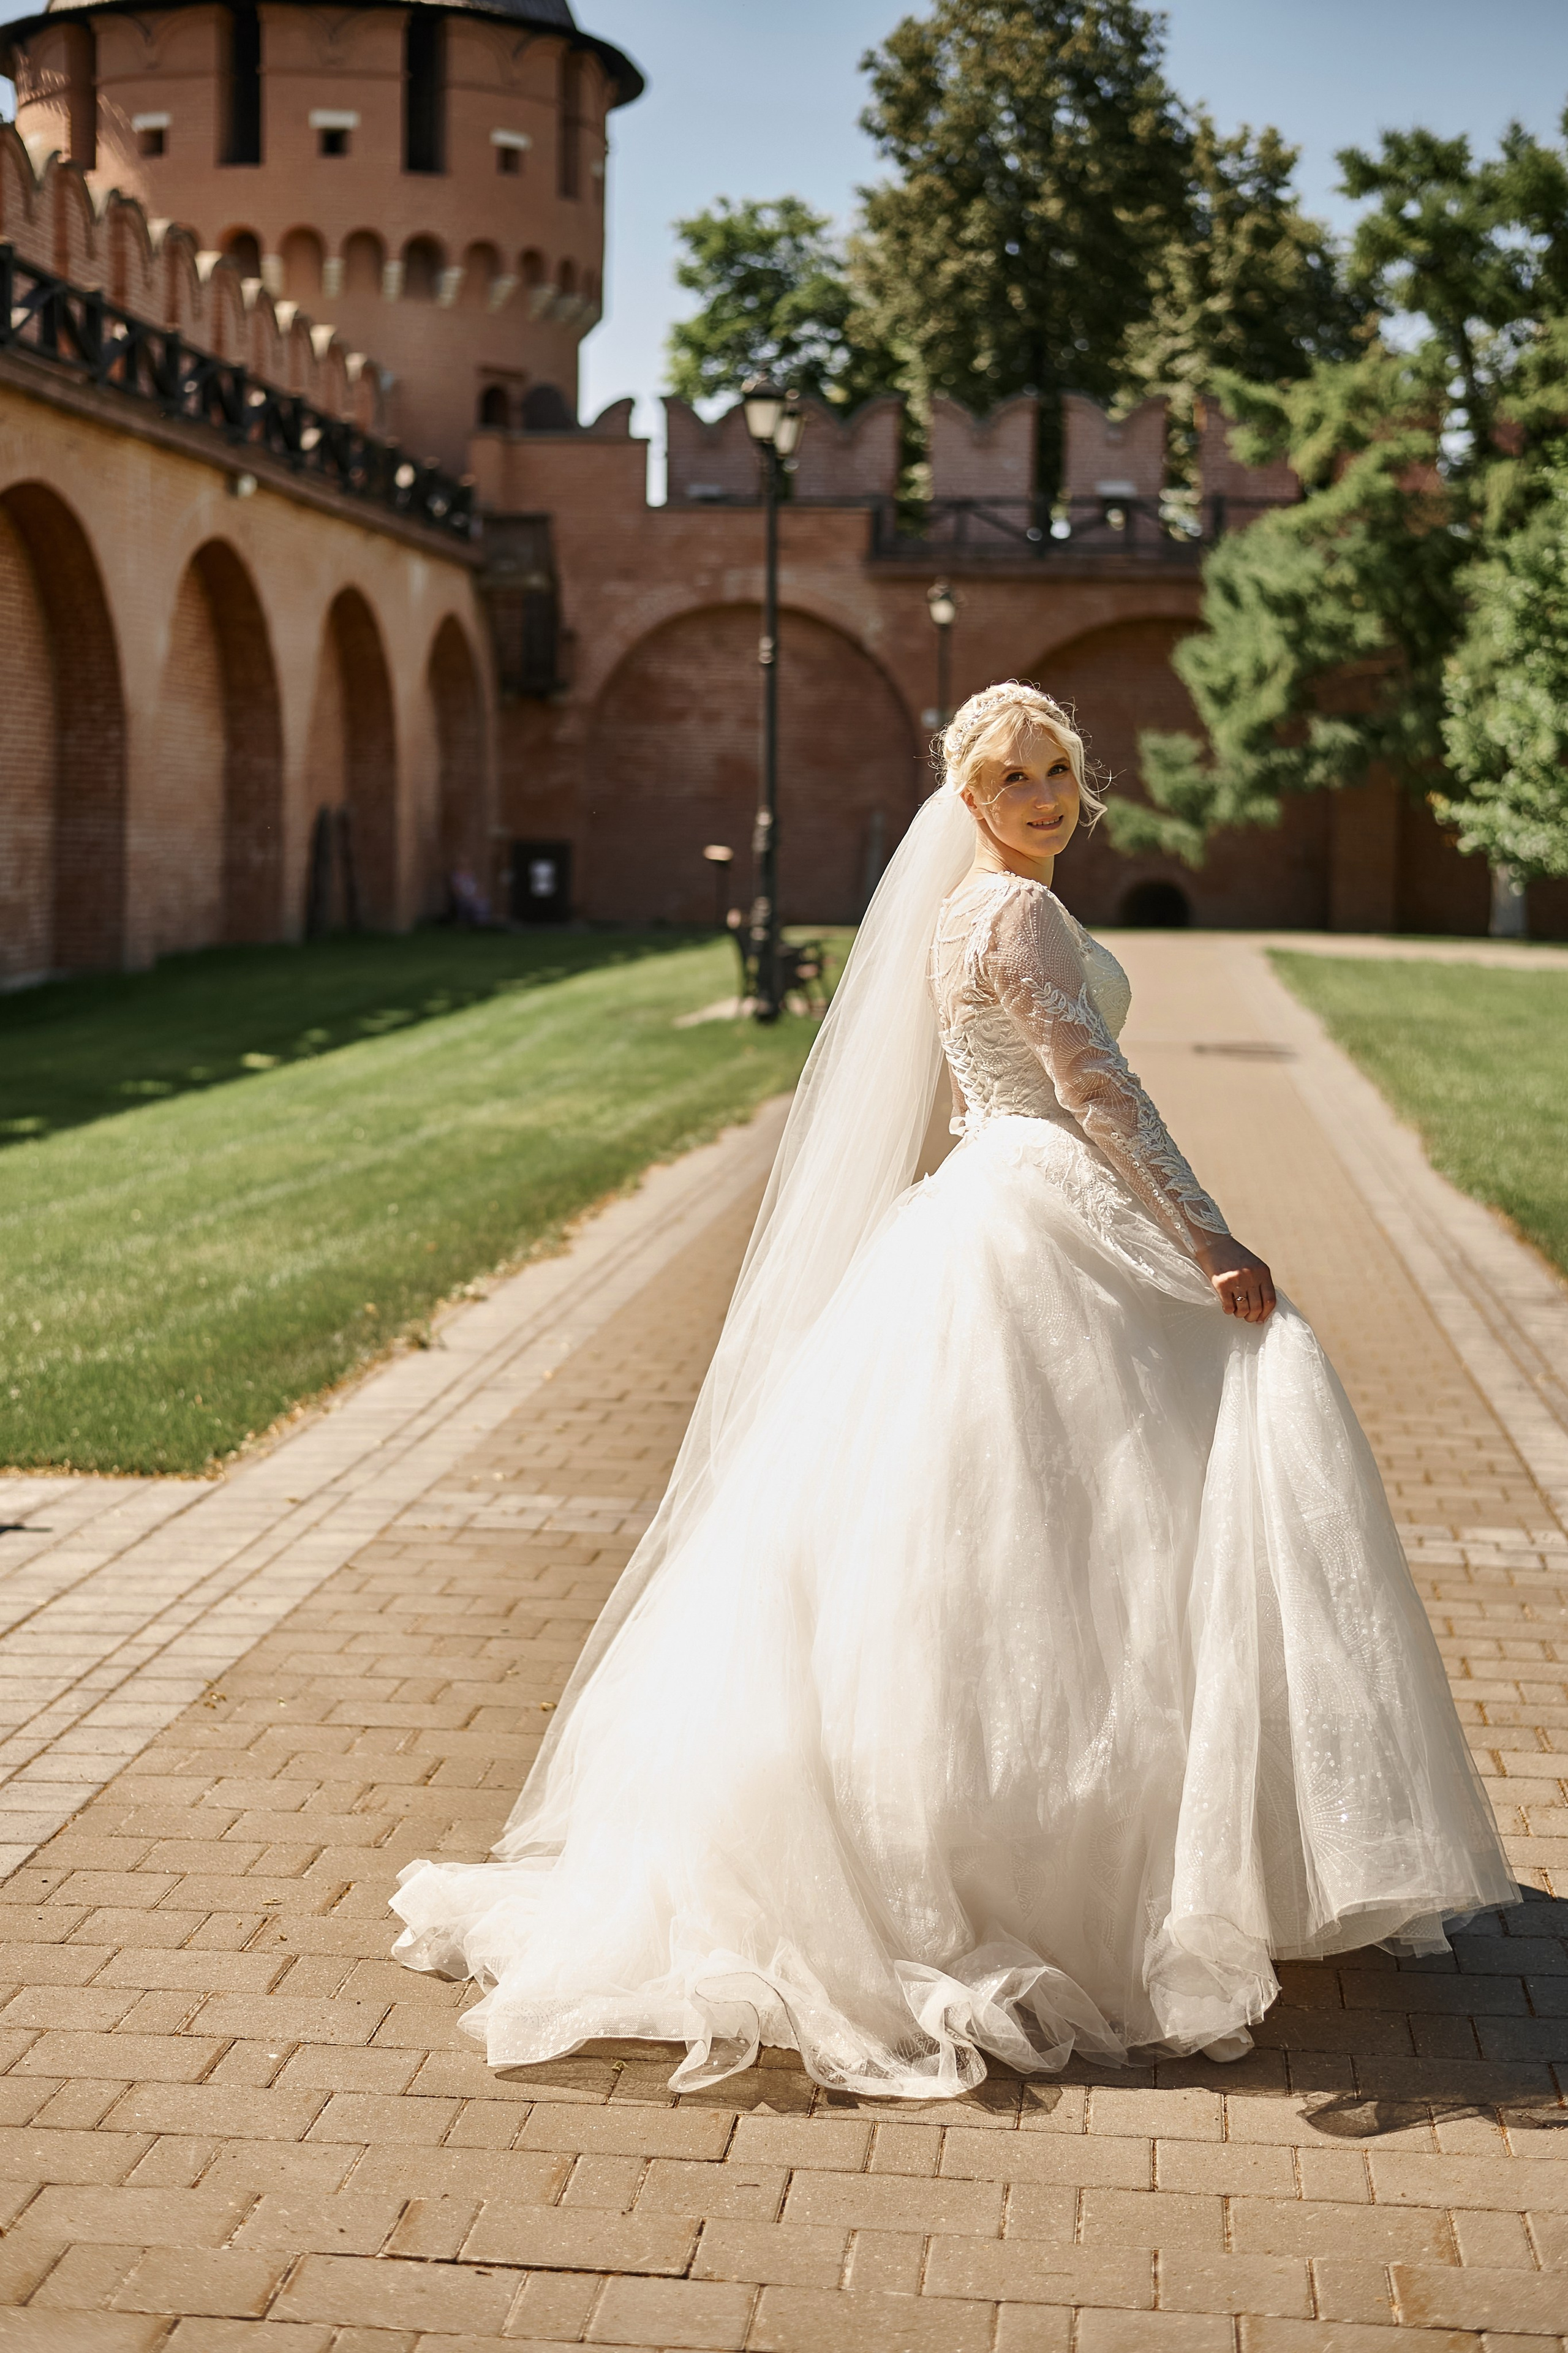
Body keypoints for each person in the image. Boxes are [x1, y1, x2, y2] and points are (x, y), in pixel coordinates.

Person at [391, 680, 1514, 2099]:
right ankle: (1064, 1867)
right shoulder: (1020, 912)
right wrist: (1207, 1231)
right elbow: (1089, 1084)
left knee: (985, 1543)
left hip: (981, 1199)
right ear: (966, 797)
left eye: (1056, 769)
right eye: (1009, 776)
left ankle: (989, 1841)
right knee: (1097, 1520)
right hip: (1035, 1204)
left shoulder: (956, 910)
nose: (1041, 794)